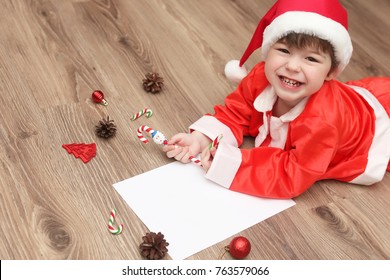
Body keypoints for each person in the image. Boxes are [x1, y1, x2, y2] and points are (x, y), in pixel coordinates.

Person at [163, 0, 390, 199]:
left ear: (331, 74)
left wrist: (230, 163)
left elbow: (293, 173)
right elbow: (236, 113)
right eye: (283, 51)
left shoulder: (323, 121)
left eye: (310, 58)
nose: (292, 66)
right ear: (268, 50)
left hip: (377, 131)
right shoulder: (260, 76)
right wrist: (201, 139)